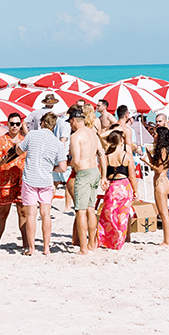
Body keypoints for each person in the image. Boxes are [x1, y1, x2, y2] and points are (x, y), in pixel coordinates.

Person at [20, 112, 67, 256]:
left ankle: (32, 248)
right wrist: (52, 168)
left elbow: (19, 150)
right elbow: (63, 167)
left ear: (42, 123)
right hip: (46, 180)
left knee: (31, 215)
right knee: (46, 214)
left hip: (30, 178)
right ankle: (46, 248)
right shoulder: (58, 143)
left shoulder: (32, 135)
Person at [66, 107, 104, 255]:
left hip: (83, 172)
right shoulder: (92, 132)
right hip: (95, 171)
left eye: (70, 122)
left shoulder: (76, 136)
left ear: (74, 120)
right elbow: (101, 153)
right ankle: (91, 243)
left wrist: (64, 164)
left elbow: (75, 160)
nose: (70, 125)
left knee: (80, 211)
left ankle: (83, 248)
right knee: (90, 209)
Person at [0, 112, 29, 250]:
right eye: (12, 124)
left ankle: (25, 244)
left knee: (23, 212)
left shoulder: (25, 140)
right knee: (3, 213)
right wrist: (7, 157)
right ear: (7, 124)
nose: (14, 126)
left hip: (21, 181)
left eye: (17, 124)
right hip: (5, 181)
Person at [96, 128, 136, 249]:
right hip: (123, 186)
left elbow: (101, 172)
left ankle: (105, 240)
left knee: (108, 215)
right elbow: (132, 176)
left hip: (112, 186)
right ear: (121, 141)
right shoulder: (127, 156)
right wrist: (136, 191)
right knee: (122, 216)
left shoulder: (106, 157)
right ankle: (118, 242)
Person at [148, 124, 169, 246]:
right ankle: (166, 239)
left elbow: (158, 169)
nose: (154, 136)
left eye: (156, 134)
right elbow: (156, 163)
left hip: (161, 181)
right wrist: (148, 155)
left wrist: (146, 163)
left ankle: (167, 240)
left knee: (163, 214)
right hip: (164, 181)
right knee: (163, 213)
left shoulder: (163, 150)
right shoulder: (166, 149)